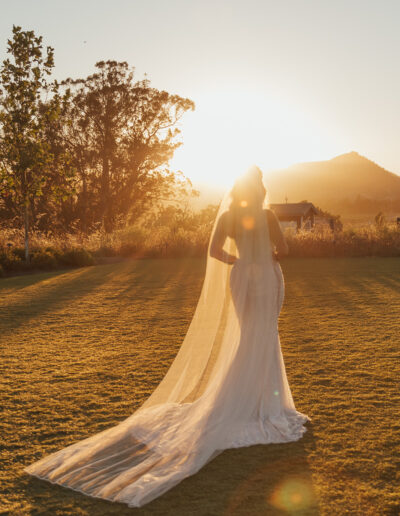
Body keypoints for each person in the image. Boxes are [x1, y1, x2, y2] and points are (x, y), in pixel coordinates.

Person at [24, 166, 310, 508]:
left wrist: (240, 259)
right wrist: (266, 256)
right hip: (266, 275)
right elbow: (286, 251)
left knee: (249, 335)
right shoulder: (267, 216)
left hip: (242, 277)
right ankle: (263, 404)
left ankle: (249, 399)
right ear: (261, 189)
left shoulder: (229, 217)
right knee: (264, 335)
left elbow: (215, 251)